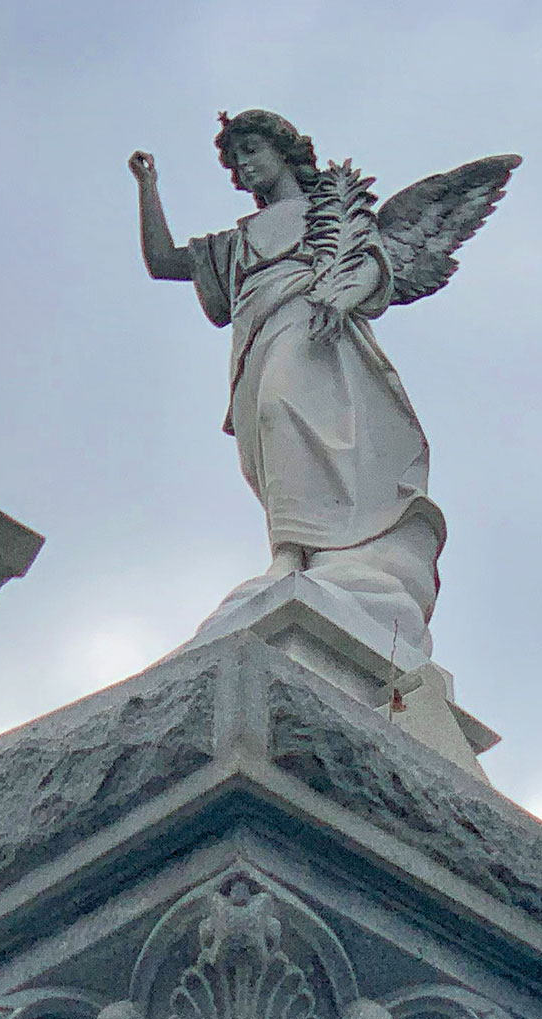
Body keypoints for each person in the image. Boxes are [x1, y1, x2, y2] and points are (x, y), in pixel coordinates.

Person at [131, 111, 447, 656]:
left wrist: (342, 297)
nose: (245, 166)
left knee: (285, 411)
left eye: (252, 150)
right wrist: (148, 188)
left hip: (311, 323)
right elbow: (163, 262)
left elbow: (371, 263)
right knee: (271, 448)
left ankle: (317, 553)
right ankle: (293, 554)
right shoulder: (239, 240)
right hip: (255, 336)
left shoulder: (328, 211)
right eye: (236, 160)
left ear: (283, 151)